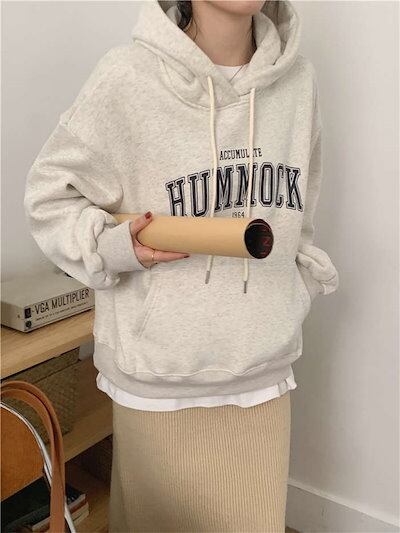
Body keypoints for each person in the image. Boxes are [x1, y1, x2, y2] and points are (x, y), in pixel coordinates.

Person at [23, 0, 339, 531]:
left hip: (263, 378)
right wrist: (117, 247)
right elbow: (48, 200)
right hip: (160, 385)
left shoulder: (297, 81)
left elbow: (298, 217)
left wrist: (292, 294)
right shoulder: (127, 76)